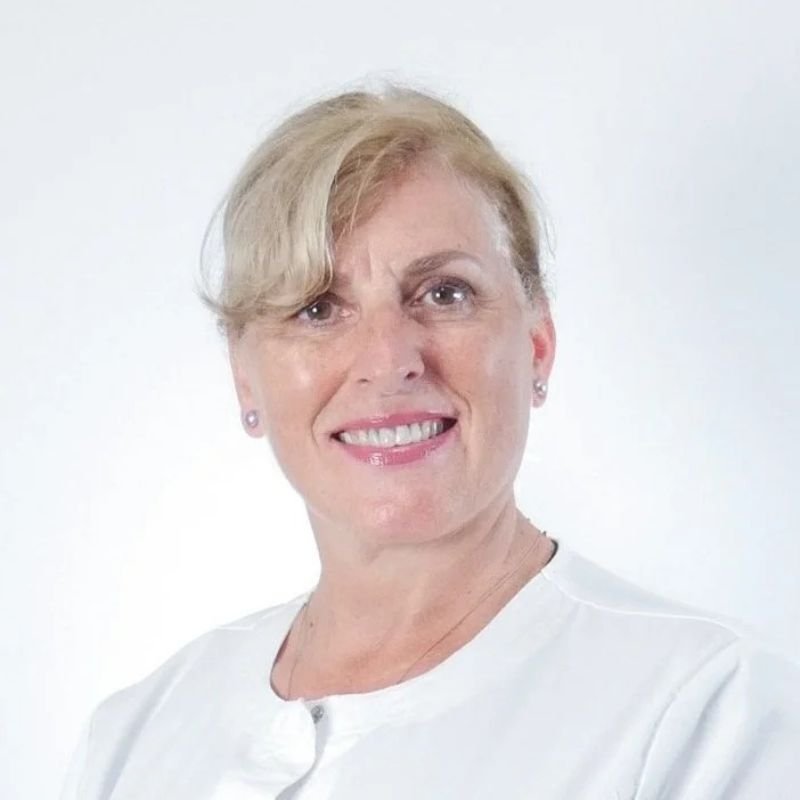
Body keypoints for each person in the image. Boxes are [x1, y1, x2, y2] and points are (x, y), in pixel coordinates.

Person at [61, 84, 800, 799]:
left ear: (537, 345)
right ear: (246, 380)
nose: (389, 360)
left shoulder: (709, 711)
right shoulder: (136, 735)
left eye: (444, 293)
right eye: (318, 308)